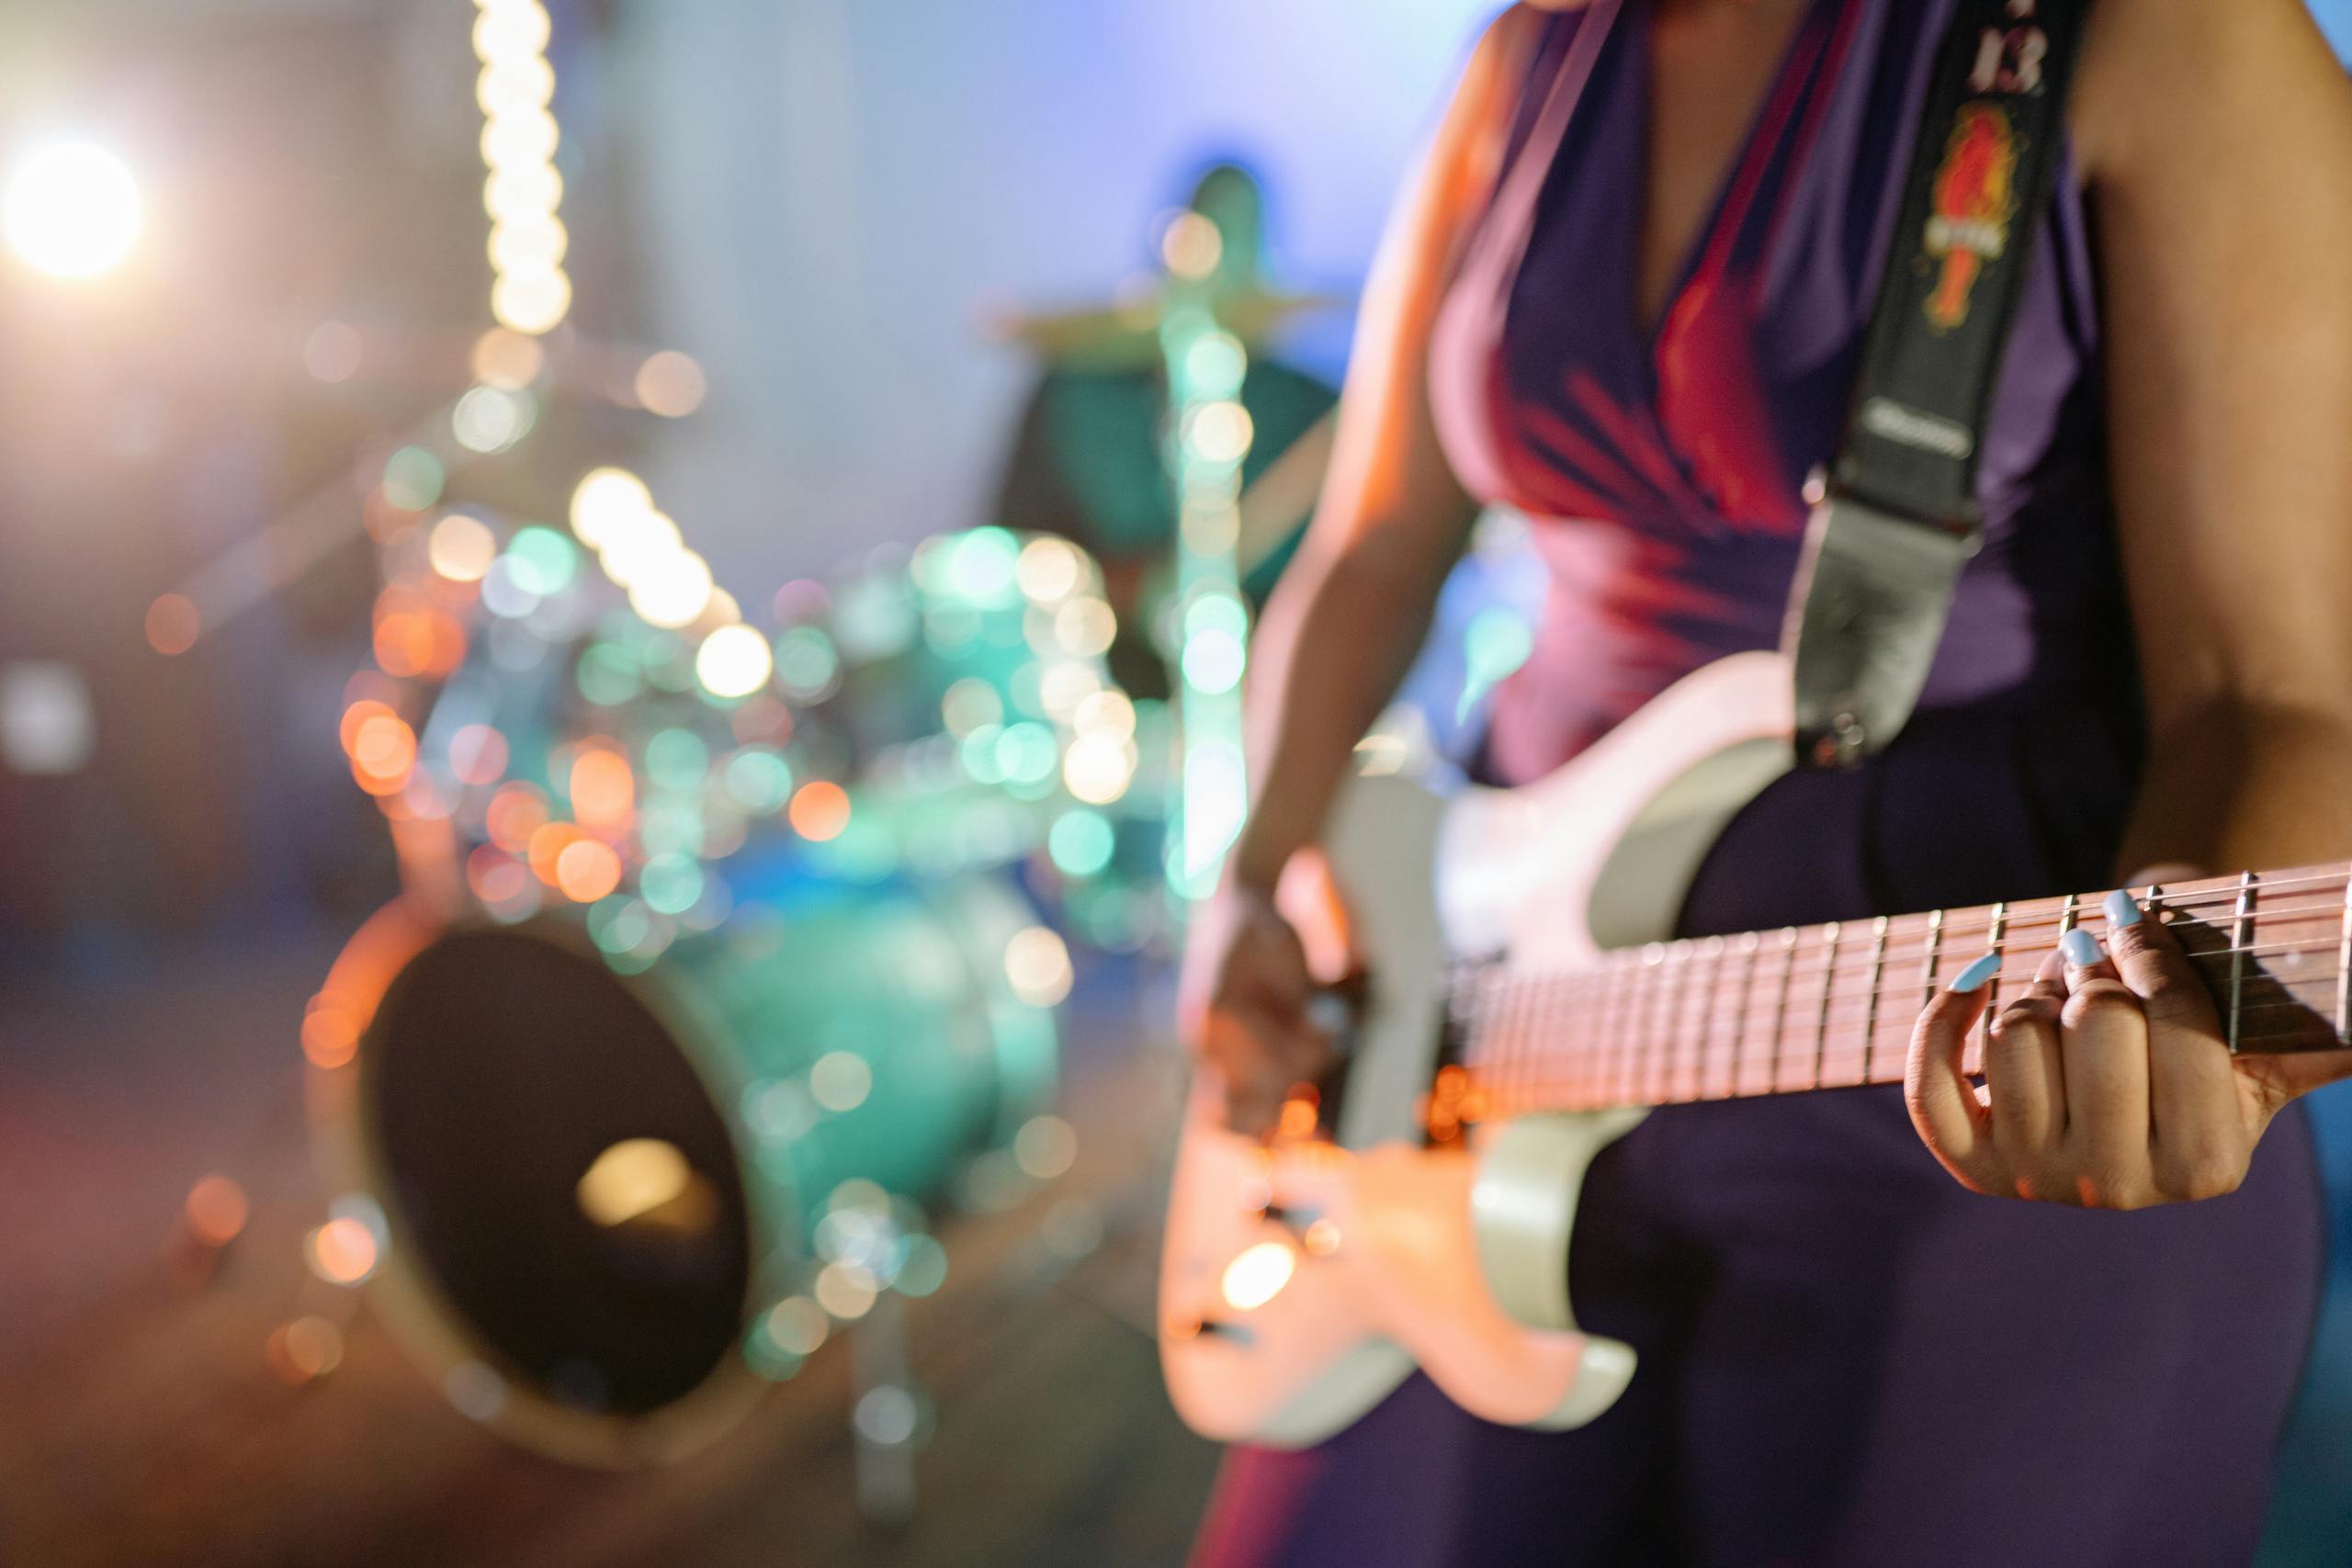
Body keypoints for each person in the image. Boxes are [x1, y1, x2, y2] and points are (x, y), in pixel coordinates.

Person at [1178, 1, 2352, 1562]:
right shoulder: (1536, 46)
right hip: (1467, 1018)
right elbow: (1376, 539)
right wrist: (1254, 880)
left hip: (1964, 1063)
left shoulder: (2173, 32)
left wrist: (2196, 1017)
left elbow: (2271, 692)